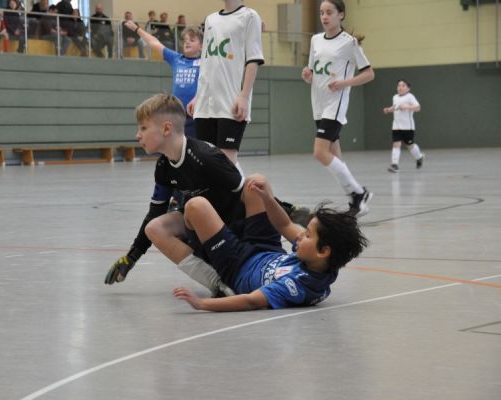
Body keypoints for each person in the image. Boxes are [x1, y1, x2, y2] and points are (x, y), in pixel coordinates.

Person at [104, 94, 245, 296]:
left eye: (143, 128)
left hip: (233, 232)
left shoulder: (206, 157)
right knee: (155, 228)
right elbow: (154, 214)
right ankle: (218, 284)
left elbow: (248, 194)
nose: (138, 135)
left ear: (167, 128)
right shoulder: (163, 167)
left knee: (193, 206)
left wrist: (287, 218)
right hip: (202, 230)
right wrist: (132, 256)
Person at [173, 174, 368, 311]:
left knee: (196, 206)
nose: (300, 236)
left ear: (323, 251)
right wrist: (267, 198)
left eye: (308, 235)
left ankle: (199, 241)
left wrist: (201, 304)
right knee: (256, 183)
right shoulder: (318, 260)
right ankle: (223, 228)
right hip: (267, 249)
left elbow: (250, 301)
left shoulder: (297, 285)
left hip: (237, 266)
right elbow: (284, 224)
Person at [301, 0, 375, 217]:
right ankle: (356, 197)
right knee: (335, 156)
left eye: (330, 12)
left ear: (341, 15)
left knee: (319, 152)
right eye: (322, 12)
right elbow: (313, 73)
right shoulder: (315, 40)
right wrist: (308, 75)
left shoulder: (349, 43)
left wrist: (344, 83)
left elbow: (369, 73)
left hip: (335, 105)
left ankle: (359, 194)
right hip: (318, 104)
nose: (324, 16)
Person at [187, 0, 264, 168]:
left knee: (226, 162)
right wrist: (197, 97)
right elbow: (206, 62)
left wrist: (244, 97)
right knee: (207, 162)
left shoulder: (250, 17)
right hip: (206, 104)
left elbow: (253, 60)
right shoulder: (210, 19)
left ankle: (244, 194)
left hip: (231, 101)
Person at [123, 20, 202, 137]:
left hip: (197, 114)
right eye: (185, 40)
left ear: (201, 46)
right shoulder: (176, 59)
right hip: (177, 115)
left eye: (192, 40)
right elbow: (154, 43)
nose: (187, 43)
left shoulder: (206, 62)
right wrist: (136, 29)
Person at [383, 79, 425, 173]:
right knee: (396, 144)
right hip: (396, 126)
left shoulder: (410, 97)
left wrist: (407, 107)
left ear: (408, 88)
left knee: (410, 145)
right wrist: (388, 110)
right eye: (398, 85)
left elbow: (418, 107)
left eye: (403, 85)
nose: (400, 87)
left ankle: (419, 157)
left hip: (408, 127)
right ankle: (394, 165)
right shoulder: (395, 97)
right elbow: (395, 107)